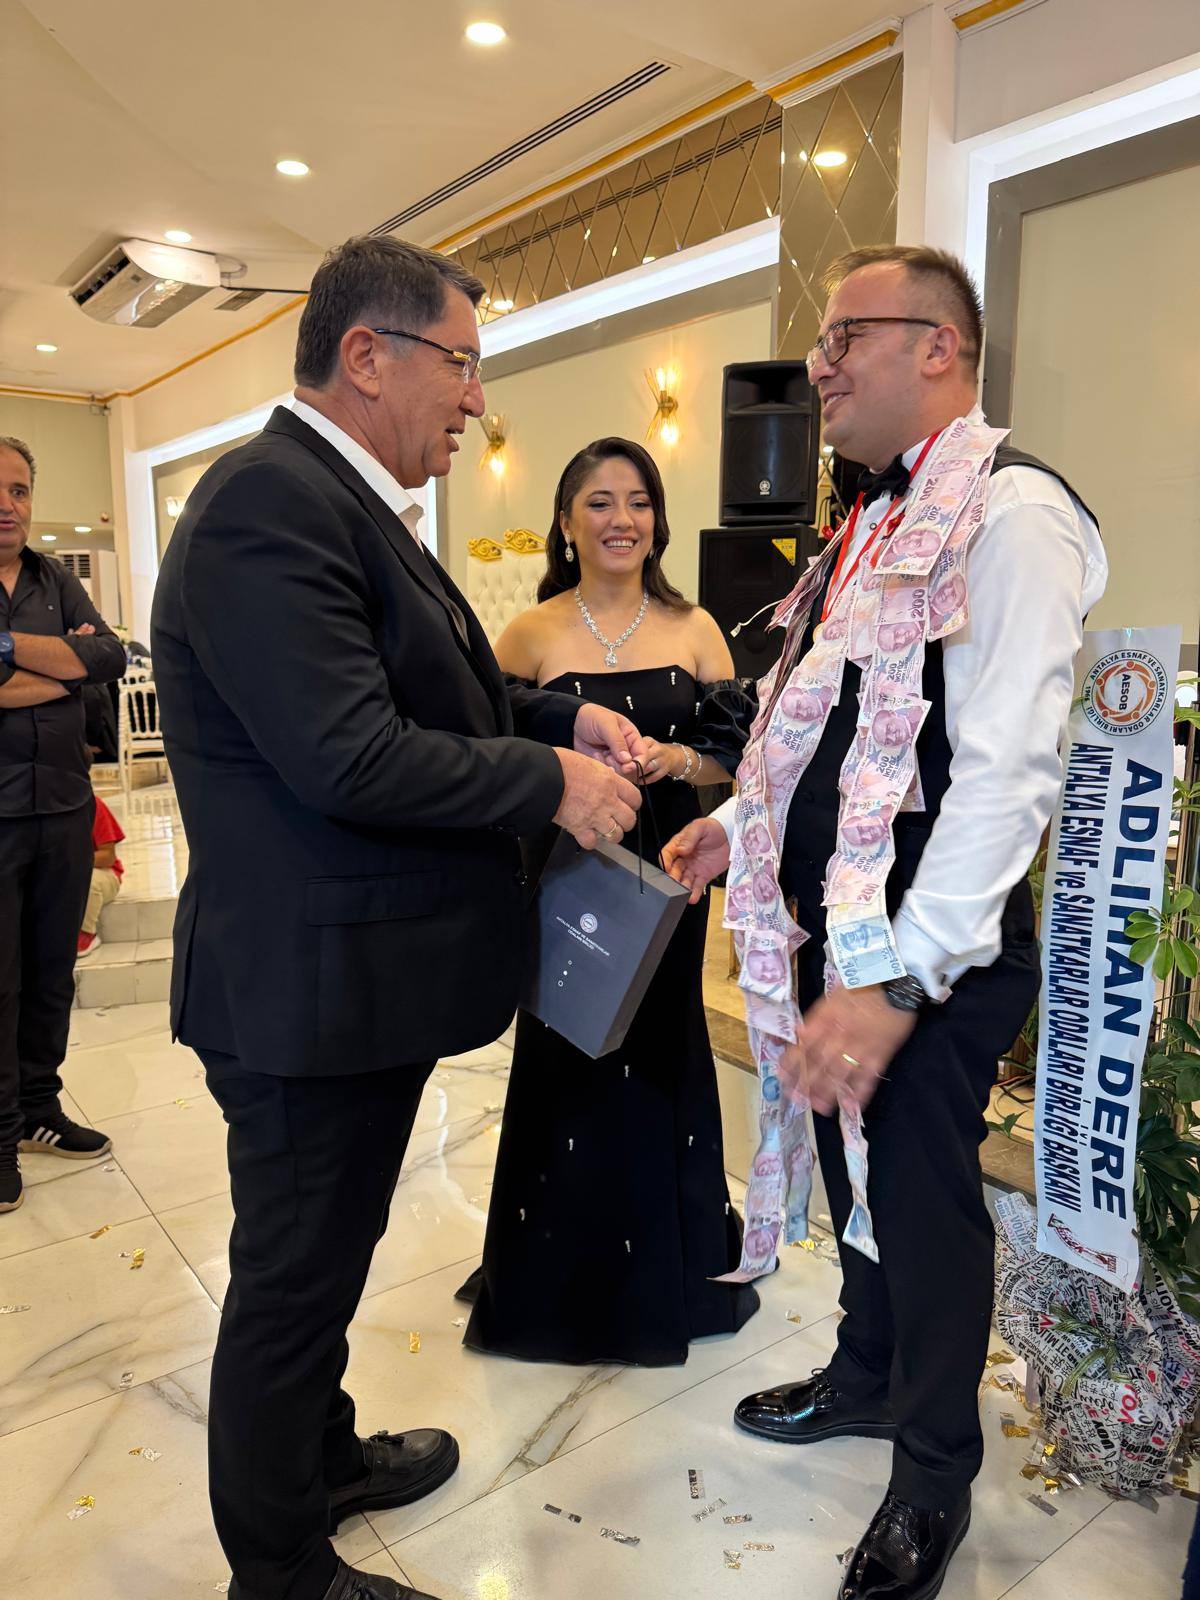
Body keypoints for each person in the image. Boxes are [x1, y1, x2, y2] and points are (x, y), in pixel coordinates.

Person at [150, 236, 646, 1600]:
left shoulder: (343, 501)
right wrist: (548, 781)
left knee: (327, 1256)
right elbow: (347, 753)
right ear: (366, 356)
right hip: (305, 995)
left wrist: (554, 716)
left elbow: (431, 692)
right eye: (462, 362)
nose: (477, 398)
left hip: (350, 987)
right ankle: (282, 1570)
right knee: (293, 1281)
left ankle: (317, 1460)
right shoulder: (268, 505)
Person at [663, 245, 1106, 1600]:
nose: (821, 365)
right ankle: (864, 1375)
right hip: (841, 941)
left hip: (933, 957)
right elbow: (818, 725)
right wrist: (736, 826)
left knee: (919, 1199)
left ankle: (933, 1474)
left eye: (847, 335)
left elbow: (1005, 775)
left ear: (940, 348)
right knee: (851, 1173)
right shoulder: (864, 521)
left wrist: (899, 981)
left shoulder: (1012, 513)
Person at [457, 437, 760, 1365]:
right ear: (565, 521)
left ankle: (668, 1262)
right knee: (567, 1046)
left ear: (658, 522)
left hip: (668, 870)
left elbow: (737, 751)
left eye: (638, 502)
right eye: (598, 502)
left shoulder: (697, 628)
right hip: (566, 871)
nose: (621, 519)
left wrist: (679, 758)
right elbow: (489, 738)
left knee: (660, 1045)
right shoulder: (530, 633)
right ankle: (556, 1271)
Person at [0, 437, 124, 1211]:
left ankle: (37, 1110)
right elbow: (79, 669)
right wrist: (62, 671)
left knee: (51, 971)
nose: (6, 505)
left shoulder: (55, 580)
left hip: (65, 809)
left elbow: (108, 658)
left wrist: (11, 651)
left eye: (18, 490)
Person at [78, 791, 124, 960]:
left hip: (103, 872)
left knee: (87, 882)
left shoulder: (93, 805)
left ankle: (86, 934)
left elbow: (108, 856)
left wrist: (72, 863)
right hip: (64, 874)